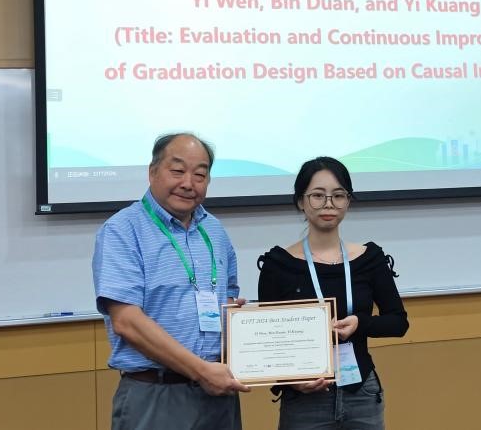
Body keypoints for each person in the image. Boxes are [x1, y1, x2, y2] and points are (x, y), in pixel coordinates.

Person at [92, 132, 249, 430]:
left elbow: (228, 297)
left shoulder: (215, 231)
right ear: (152, 172)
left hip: (217, 394)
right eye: (177, 170)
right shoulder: (122, 230)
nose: (188, 183)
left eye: (200, 175)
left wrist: (236, 317)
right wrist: (201, 371)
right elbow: (126, 321)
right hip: (156, 394)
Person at [257, 156, 409, 429]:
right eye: (318, 195)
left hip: (362, 393)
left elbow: (398, 322)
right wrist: (292, 381)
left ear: (348, 202)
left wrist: (360, 323)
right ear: (301, 201)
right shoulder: (278, 265)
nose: (328, 204)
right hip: (304, 399)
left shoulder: (369, 259)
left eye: (338, 195)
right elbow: (268, 342)